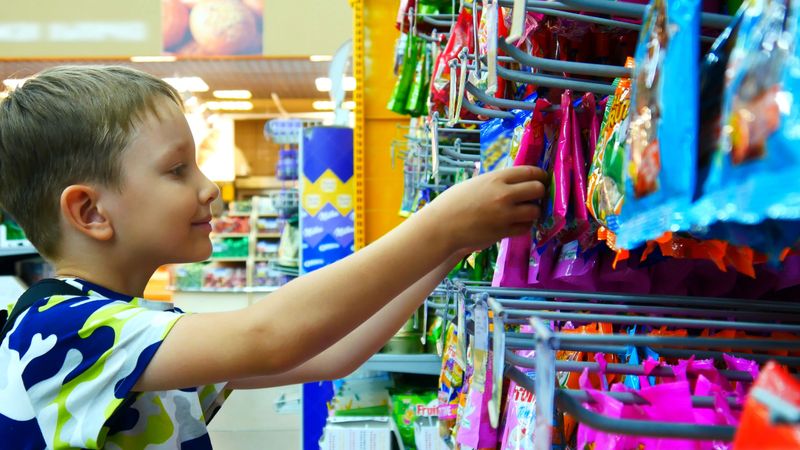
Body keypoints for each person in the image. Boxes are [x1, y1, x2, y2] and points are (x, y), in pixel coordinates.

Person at [0, 65, 546, 449]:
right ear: (90, 212)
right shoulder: (62, 330)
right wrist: (439, 225)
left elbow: (331, 355)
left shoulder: (139, 331)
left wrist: (452, 249)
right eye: (176, 170)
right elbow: (272, 335)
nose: (209, 188)